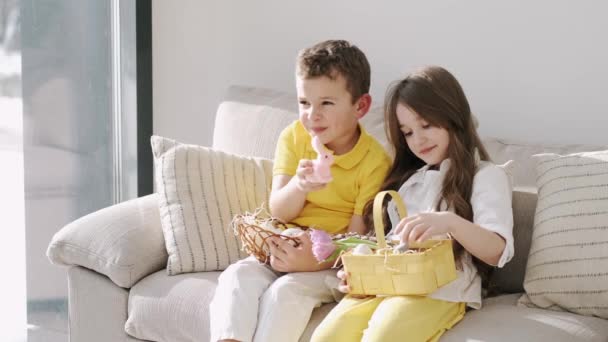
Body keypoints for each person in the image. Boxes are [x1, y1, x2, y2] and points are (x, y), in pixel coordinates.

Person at [311, 65, 515, 342]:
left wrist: (449, 222)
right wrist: (356, 269)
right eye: (407, 132)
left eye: (426, 125)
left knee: (381, 337)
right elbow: (382, 237)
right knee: (326, 337)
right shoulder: (410, 181)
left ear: (452, 115)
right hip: (386, 282)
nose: (417, 140)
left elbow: (496, 250)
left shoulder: (486, 175)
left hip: (440, 289)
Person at [208, 39, 391, 342]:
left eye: (326, 104)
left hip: (329, 262)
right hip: (283, 245)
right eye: (304, 103)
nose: (312, 115)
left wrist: (313, 260)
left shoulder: (375, 162)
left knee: (286, 293)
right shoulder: (294, 138)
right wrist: (299, 186)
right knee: (236, 277)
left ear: (360, 106)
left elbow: (359, 240)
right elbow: (279, 209)